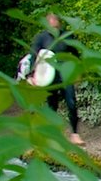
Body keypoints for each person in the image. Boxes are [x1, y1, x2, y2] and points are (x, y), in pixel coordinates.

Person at [22, 13, 81, 147]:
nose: (54, 22)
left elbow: (76, 55)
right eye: (51, 20)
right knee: (52, 106)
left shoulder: (67, 36)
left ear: (59, 22)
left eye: (56, 20)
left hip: (65, 75)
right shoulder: (41, 38)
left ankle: (75, 134)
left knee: (72, 103)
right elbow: (33, 56)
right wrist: (31, 75)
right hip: (49, 76)